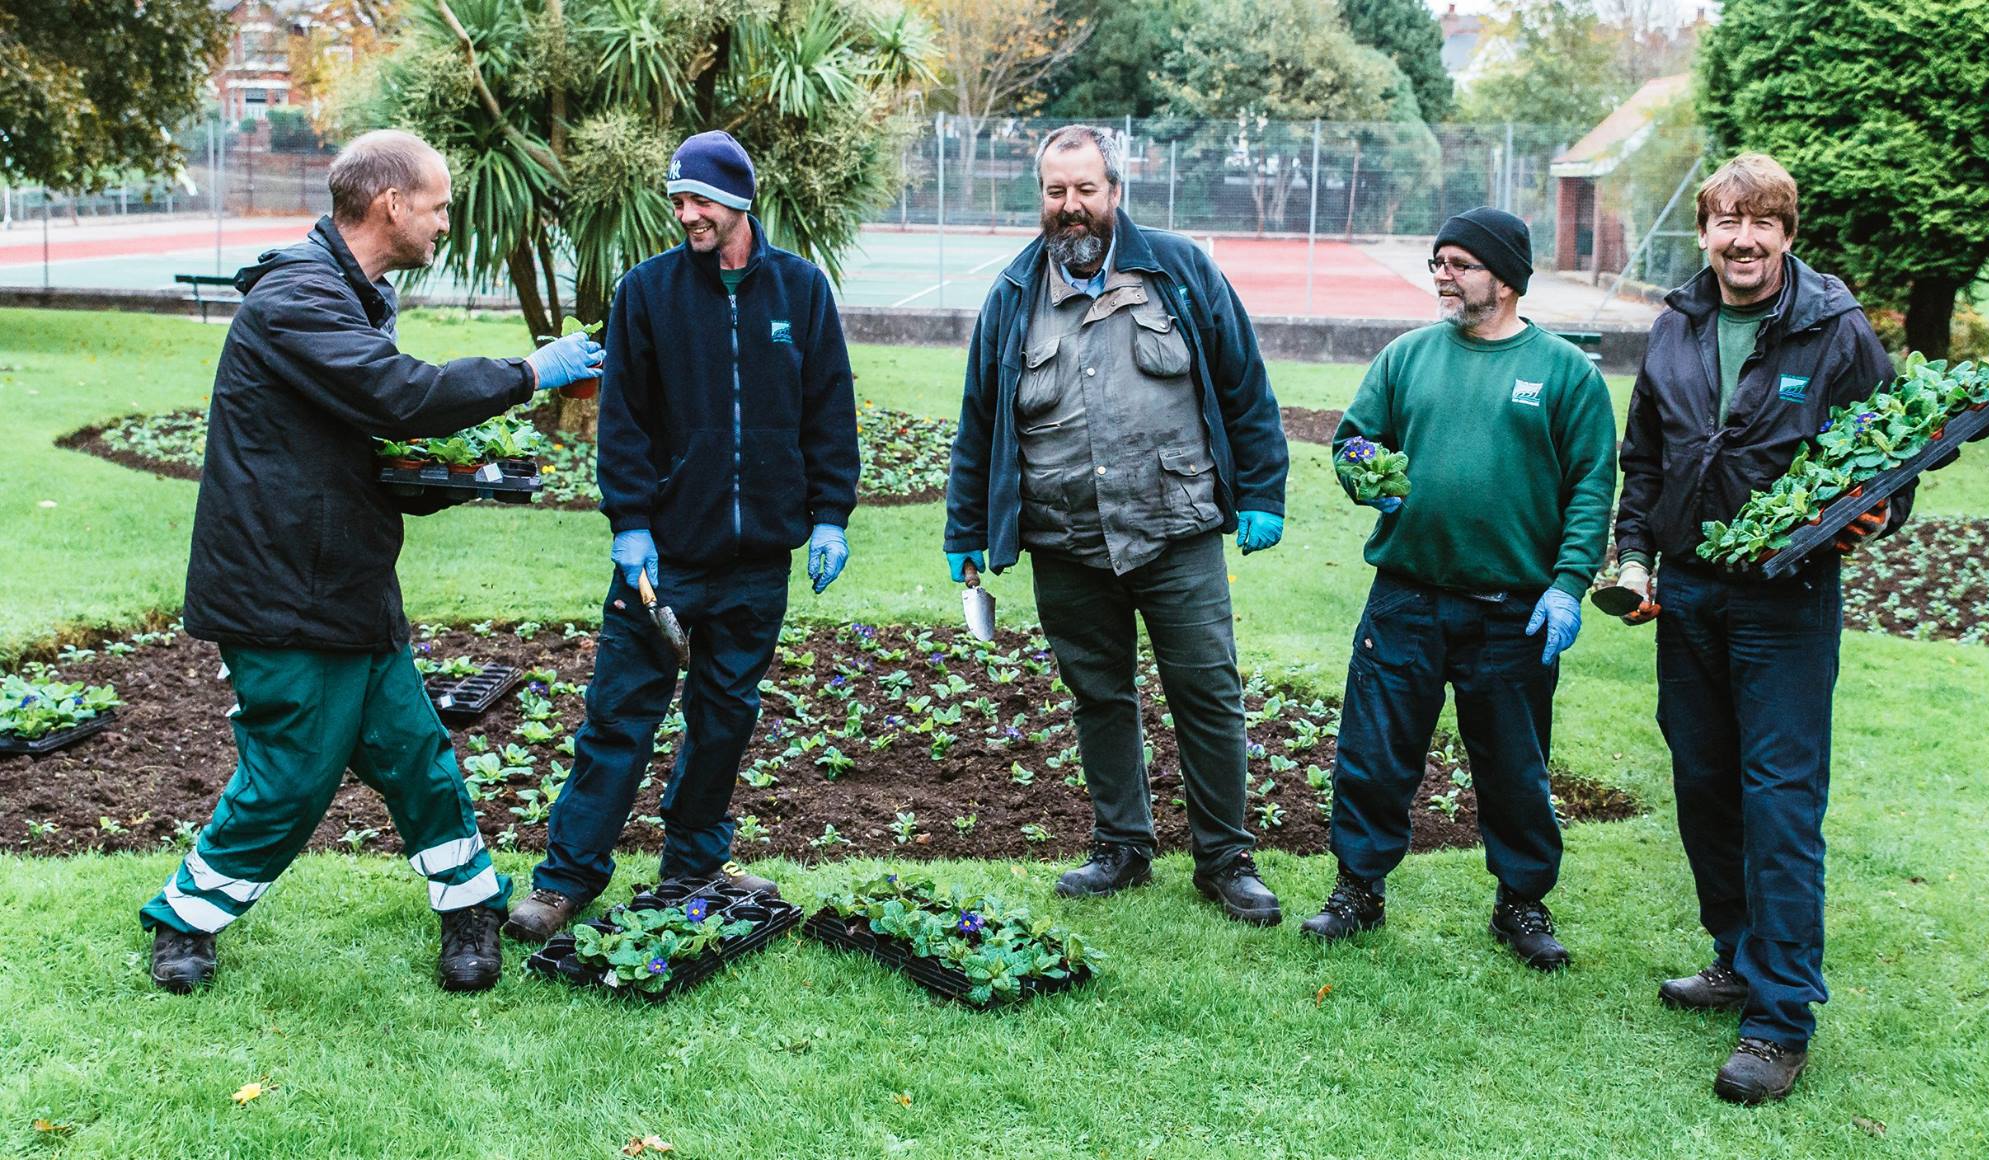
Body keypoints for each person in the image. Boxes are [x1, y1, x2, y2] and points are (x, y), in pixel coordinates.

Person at [142, 130, 605, 994]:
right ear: (393, 204)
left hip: (347, 581)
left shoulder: (355, 295)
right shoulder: (298, 300)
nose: (444, 224)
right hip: (281, 593)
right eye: (437, 206)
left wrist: (449, 479)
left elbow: (358, 443)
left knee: (415, 757)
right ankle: (185, 919)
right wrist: (529, 373)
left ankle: (470, 909)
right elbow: (403, 396)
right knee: (290, 779)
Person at [505, 131, 858, 942]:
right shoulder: (648, 291)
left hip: (759, 558)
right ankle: (565, 881)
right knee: (620, 715)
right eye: (679, 199)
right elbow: (623, 421)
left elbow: (828, 410)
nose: (685, 213)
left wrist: (830, 514)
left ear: (740, 202)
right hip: (663, 559)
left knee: (726, 715)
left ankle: (696, 857)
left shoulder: (801, 291)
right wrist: (631, 524)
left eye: (699, 200)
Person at [1612, 153, 1905, 1104]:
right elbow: (1645, 456)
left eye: (1762, 224)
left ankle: (1780, 1021)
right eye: (1726, 223)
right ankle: (1736, 956)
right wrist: (1633, 556)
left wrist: (1877, 514)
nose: (1743, 240)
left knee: (1779, 802)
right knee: (1703, 784)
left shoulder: (1835, 328)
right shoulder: (1676, 324)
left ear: (1786, 234)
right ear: (1704, 233)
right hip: (1688, 594)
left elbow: (1891, 454)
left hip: (1786, 598)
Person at [942, 125, 1291, 925]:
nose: (1072, 208)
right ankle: (1122, 848)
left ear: (1114, 192)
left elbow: (1244, 385)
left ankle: (1226, 860)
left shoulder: (1180, 270)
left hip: (1176, 532)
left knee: (1207, 692)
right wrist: (965, 527)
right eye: (1057, 193)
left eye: (1086, 191)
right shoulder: (1011, 296)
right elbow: (979, 422)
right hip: (1064, 542)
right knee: (1097, 694)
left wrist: (1264, 491)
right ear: (1043, 198)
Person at [1301, 208, 1617, 972]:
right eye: (1438, 261)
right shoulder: (1408, 357)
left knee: (1515, 767)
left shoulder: (1567, 373)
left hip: (1513, 611)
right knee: (1375, 753)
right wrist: (1362, 472)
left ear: (1505, 276)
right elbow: (1356, 436)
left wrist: (1569, 584)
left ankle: (1522, 903)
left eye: (1459, 263)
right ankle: (1358, 889)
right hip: (1406, 596)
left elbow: (1590, 488)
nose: (1442, 275)